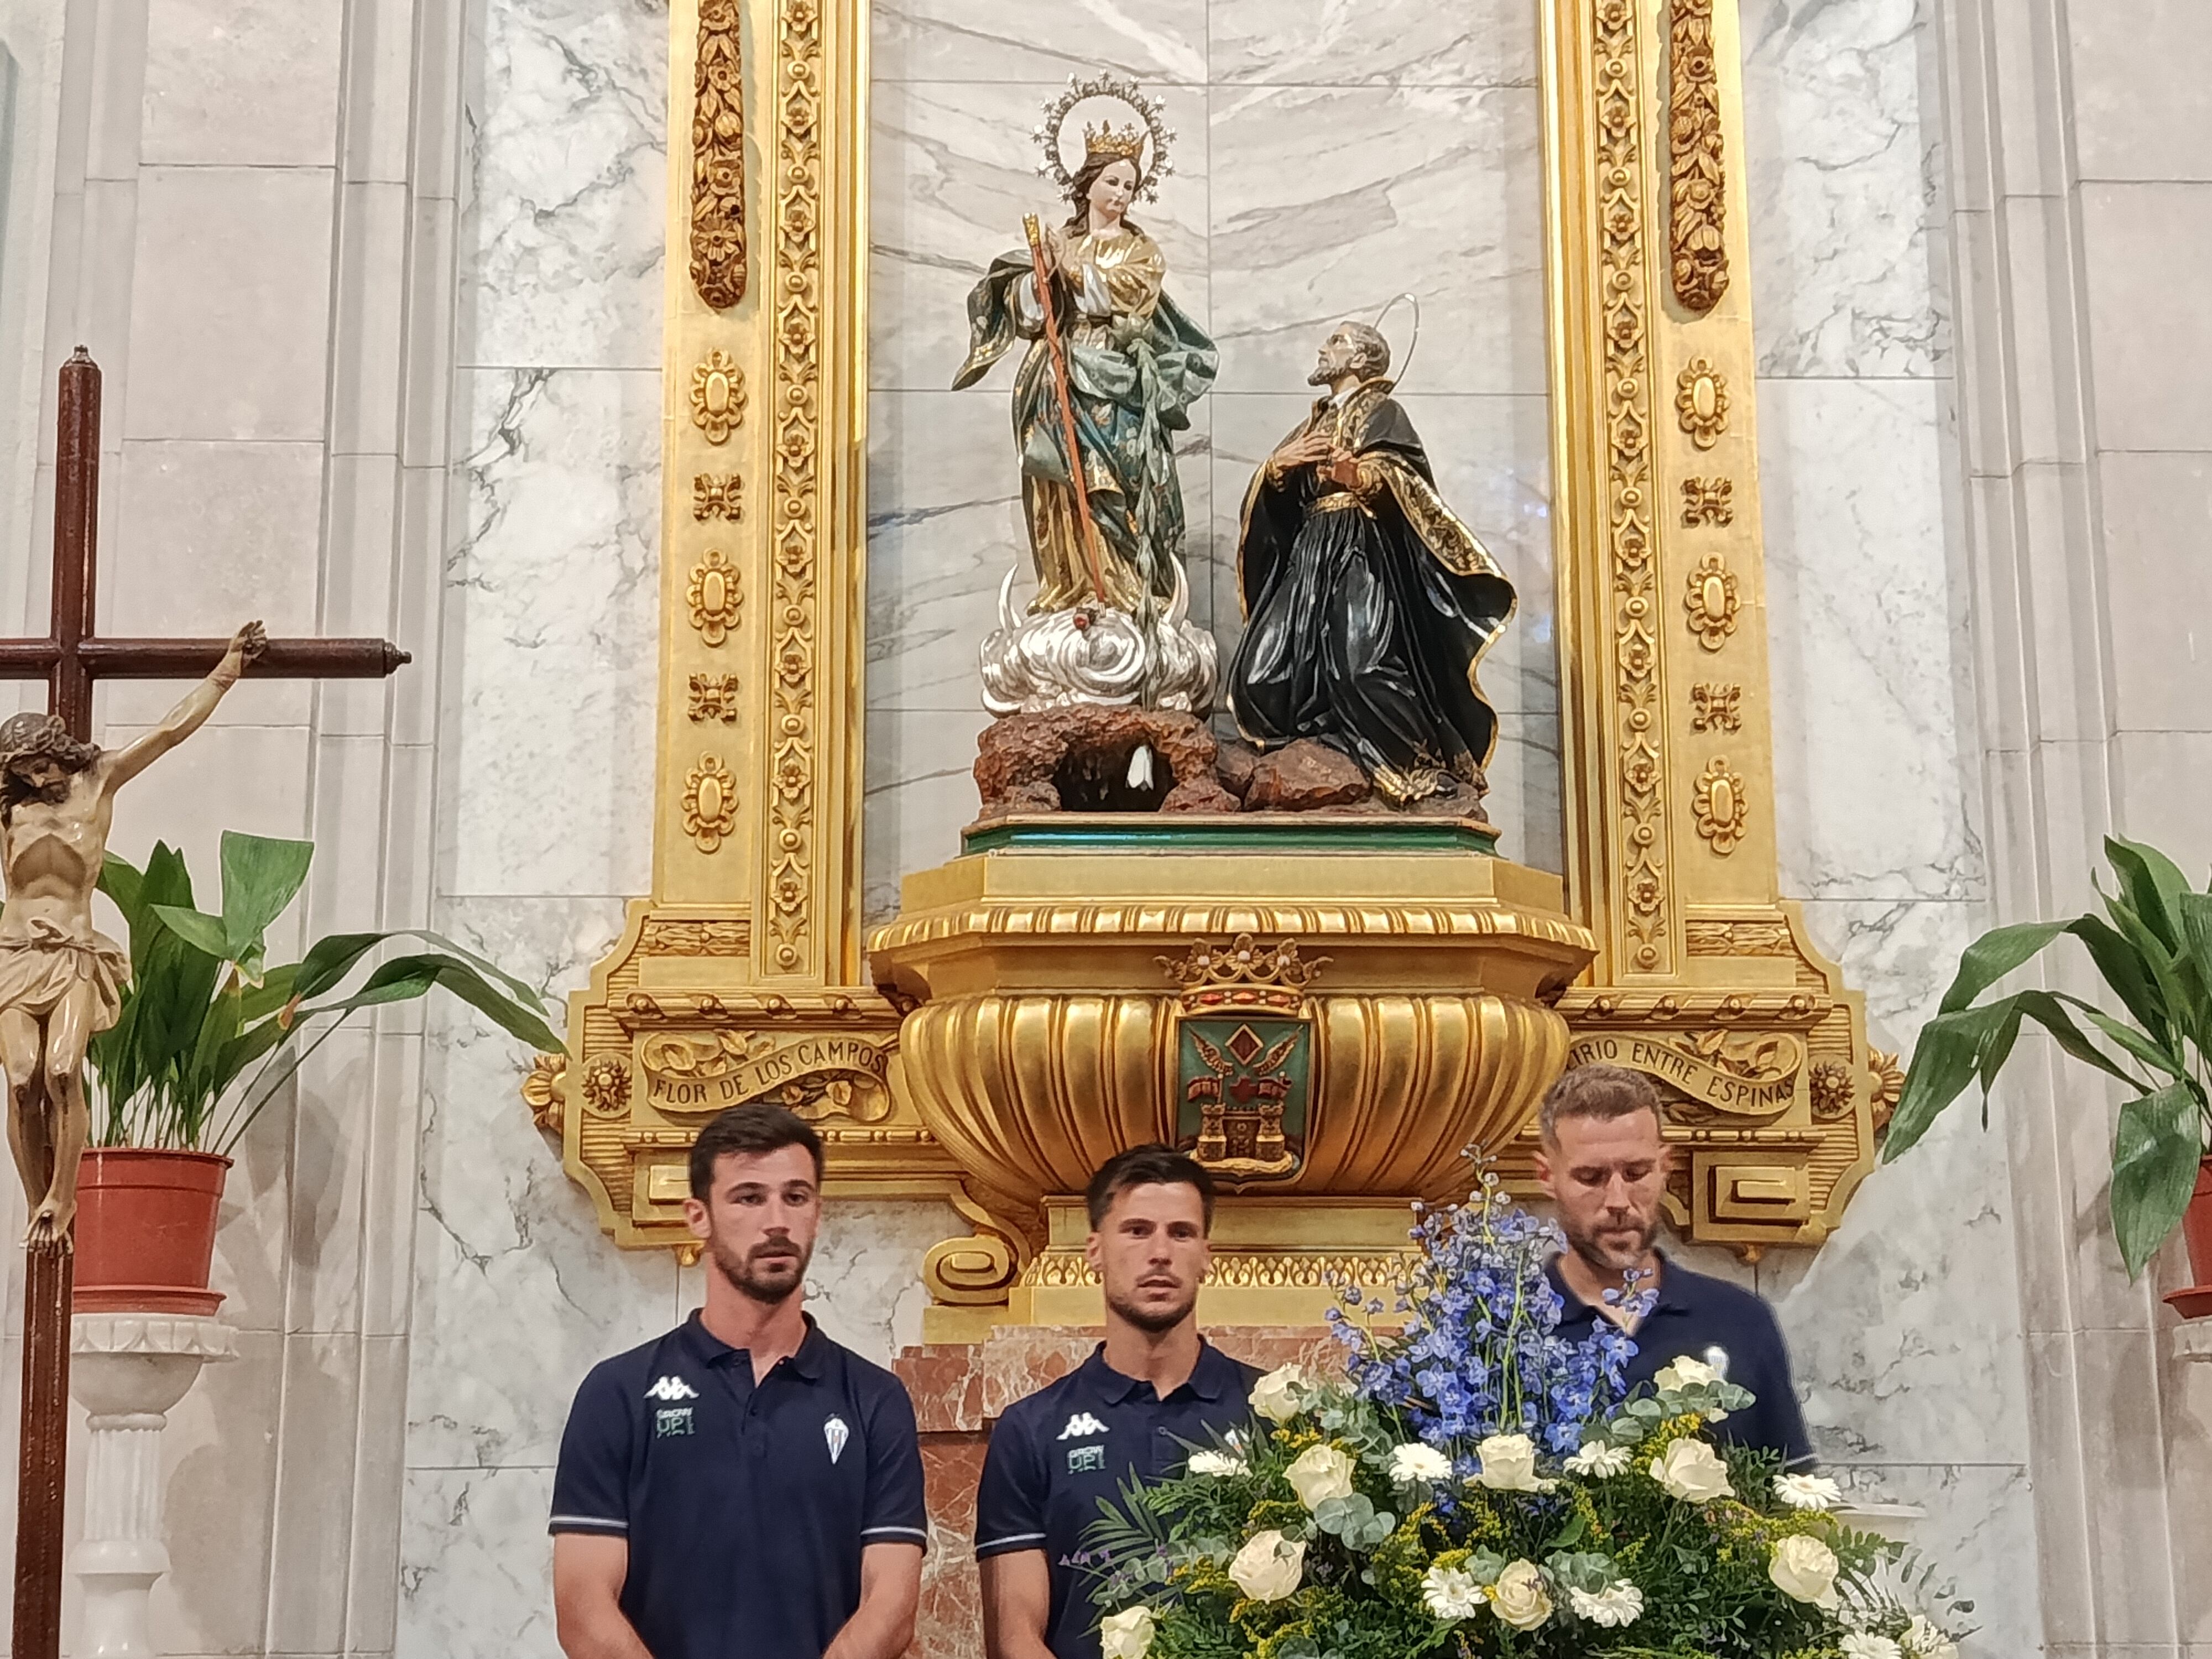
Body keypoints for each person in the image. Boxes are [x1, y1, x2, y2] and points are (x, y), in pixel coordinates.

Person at [549, 1104, 927, 1659]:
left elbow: (891, 1606)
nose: (777, 1220)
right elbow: (583, 1609)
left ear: (817, 1213)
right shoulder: (619, 1393)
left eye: (795, 1197)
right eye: (749, 1197)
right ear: (698, 1215)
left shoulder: (874, 1400)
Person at [0, 618, 265, 1247]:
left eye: (39, 764)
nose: (37, 779)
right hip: (12, 955)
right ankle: (34, 1200)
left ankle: (62, 1201)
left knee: (64, 1069)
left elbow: (171, 730)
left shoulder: (100, 782)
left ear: (56, 749)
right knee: (19, 1078)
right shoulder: (7, 807)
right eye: (23, 770)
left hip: (73, 954)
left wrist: (227, 669)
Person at [976, 1146, 1258, 1659]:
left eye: (1181, 1233)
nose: (1159, 1253)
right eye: (1136, 1230)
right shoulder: (1032, 1429)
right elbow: (1015, 1636)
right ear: (1095, 1250)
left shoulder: (1273, 1415)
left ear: (1206, 1257)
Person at [1227, 319, 1516, 808]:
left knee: (1361, 668)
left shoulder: (1384, 412)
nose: (1323, 349)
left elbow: (1407, 477)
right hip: (1310, 554)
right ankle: (1319, 748)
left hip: (1361, 552)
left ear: (1362, 360)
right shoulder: (1312, 423)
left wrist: (1358, 474)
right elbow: (1281, 497)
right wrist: (1279, 466)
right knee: (1259, 675)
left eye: (1336, 342)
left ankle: (1413, 770)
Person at [953, 132, 1217, 618]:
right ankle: (1071, 584)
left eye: (1130, 187)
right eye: (1113, 181)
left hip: (1113, 378)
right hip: (1056, 378)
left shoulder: (1141, 251)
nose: (1120, 194)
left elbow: (1126, 302)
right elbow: (1034, 316)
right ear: (1088, 184)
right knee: (1061, 483)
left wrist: (1072, 267)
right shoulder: (1063, 241)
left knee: (1116, 483)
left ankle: (1127, 589)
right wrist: (1039, 275)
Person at [1533, 1063, 1814, 1467]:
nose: (1618, 1200)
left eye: (1636, 1173)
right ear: (1548, 1176)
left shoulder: (1739, 1321)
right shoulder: (1507, 1331)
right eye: (1591, 1177)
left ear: (1665, 1166)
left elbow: (1792, 1493)